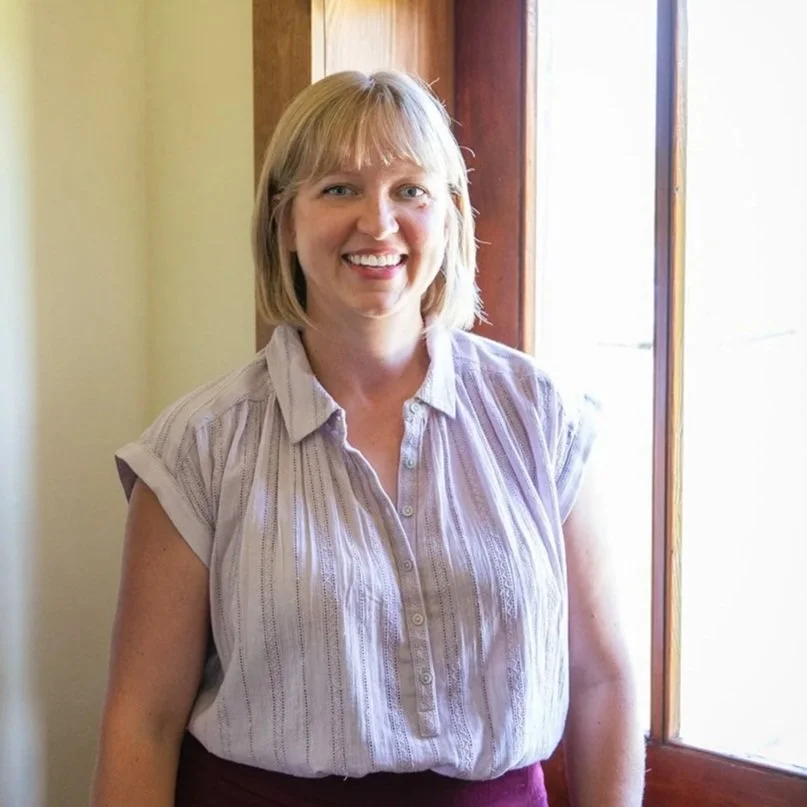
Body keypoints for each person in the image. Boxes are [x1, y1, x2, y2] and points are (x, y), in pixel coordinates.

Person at [90, 69, 644, 806]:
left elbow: (603, 680)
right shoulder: (197, 450)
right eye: (339, 189)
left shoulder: (542, 419)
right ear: (284, 222)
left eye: (410, 190)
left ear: (449, 218)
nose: (378, 224)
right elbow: (143, 724)